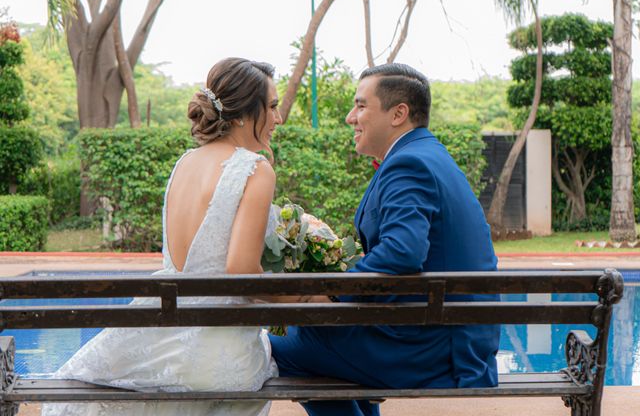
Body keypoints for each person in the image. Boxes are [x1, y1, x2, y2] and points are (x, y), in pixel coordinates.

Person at [42, 57, 283, 416]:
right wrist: (303, 298)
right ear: (247, 112)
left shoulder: (184, 163)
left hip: (161, 333)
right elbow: (241, 271)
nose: (279, 118)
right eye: (274, 106)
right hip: (219, 355)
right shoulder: (255, 169)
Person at [269, 63, 500, 416]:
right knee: (316, 335)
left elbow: (403, 252)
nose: (351, 117)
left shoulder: (409, 164)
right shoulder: (425, 154)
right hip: (441, 334)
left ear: (399, 114)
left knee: (277, 348)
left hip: (434, 349)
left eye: (361, 105)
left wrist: (331, 292)